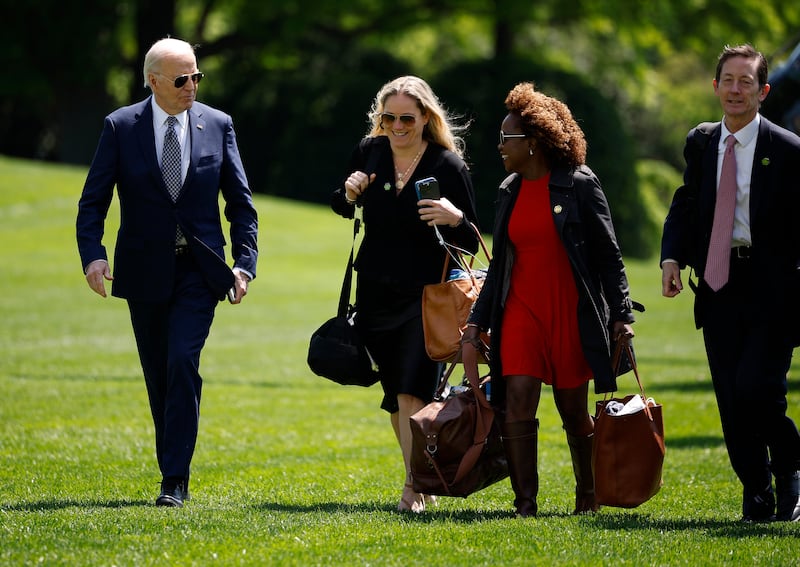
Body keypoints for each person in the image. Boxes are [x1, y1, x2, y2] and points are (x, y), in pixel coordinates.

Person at [76, 37, 258, 508]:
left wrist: (244, 264)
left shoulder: (219, 124)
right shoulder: (120, 127)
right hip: (143, 271)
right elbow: (93, 200)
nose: (191, 86)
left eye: (196, 76)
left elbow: (241, 204)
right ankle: (172, 465)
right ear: (153, 81)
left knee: (182, 359)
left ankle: (174, 480)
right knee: (159, 373)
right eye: (181, 79)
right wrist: (94, 255)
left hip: (201, 270)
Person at [463, 82, 637, 517]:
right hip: (520, 313)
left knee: (573, 410)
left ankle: (588, 495)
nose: (500, 146)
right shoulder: (508, 190)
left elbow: (608, 256)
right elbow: (500, 263)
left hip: (571, 314)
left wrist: (621, 314)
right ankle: (525, 504)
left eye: (508, 138)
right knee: (517, 399)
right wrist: (475, 322)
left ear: (535, 143)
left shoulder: (580, 184)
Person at [661, 44, 800, 523]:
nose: (735, 89)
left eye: (746, 82)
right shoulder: (701, 142)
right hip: (718, 286)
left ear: (762, 92)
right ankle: (757, 489)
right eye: (728, 80)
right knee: (731, 401)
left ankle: (788, 469)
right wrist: (672, 257)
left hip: (774, 290)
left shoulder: (787, 151)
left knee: (758, 390)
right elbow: (685, 201)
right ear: (715, 86)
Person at [331, 76, 480, 513]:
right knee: (396, 393)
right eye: (388, 117)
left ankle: (413, 487)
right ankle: (420, 477)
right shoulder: (370, 152)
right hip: (375, 291)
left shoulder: (447, 165)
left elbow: (472, 238)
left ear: (425, 118)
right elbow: (340, 204)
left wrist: (453, 217)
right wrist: (349, 191)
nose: (397, 126)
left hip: (426, 294)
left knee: (413, 389)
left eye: (406, 118)